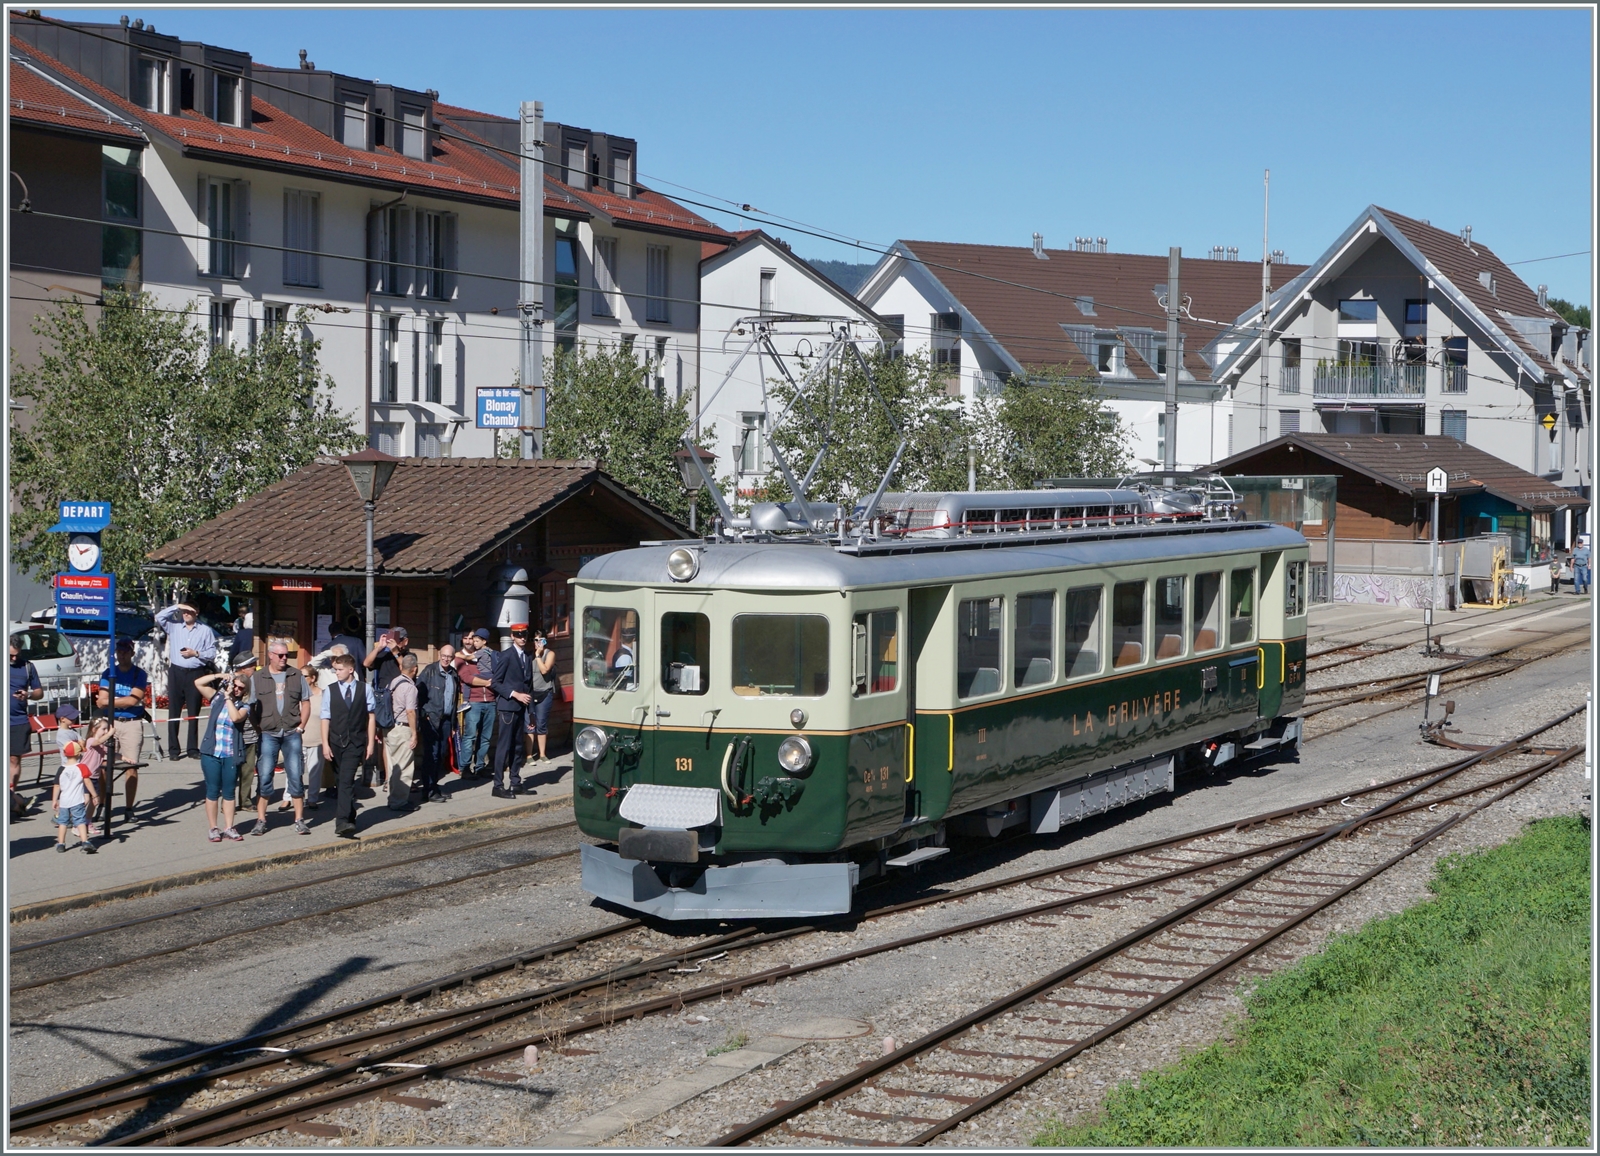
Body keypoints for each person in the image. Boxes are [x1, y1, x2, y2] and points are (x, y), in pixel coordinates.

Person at [248, 642, 314, 836]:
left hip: (292, 732)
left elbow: (306, 702)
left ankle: (299, 820)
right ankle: (261, 820)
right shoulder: (258, 678)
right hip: (268, 733)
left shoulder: (296, 675)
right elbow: (250, 706)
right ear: (270, 655)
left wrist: (301, 726)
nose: (284, 658)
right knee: (265, 776)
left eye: (286, 655)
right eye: (280, 655)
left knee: (295, 775)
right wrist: (257, 727)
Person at [322, 653, 377, 839]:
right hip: (335, 742)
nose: (336, 673)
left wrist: (370, 743)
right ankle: (351, 815)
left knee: (346, 780)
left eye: (339, 669)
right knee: (340, 782)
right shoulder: (329, 690)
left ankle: (342, 821)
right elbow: (325, 718)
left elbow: (370, 717)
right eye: (335, 670)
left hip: (356, 742)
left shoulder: (365, 689)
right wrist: (325, 744)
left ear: (350, 669)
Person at [96, 637, 149, 824]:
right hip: (110, 722)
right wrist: (117, 701)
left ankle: (129, 808)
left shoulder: (139, 674)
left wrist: (111, 701)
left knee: (131, 766)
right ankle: (102, 805)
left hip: (132, 722)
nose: (122, 654)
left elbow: (133, 700)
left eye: (126, 651)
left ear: (132, 653)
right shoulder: (109, 672)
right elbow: (100, 699)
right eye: (119, 651)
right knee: (103, 765)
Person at [156, 602, 218, 759]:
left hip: (195, 673)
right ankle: (173, 750)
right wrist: (177, 606)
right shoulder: (175, 627)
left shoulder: (205, 630)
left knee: (193, 712)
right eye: (184, 611)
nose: (186, 614)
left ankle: (192, 749)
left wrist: (196, 653)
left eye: (189, 611)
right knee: (174, 712)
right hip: (176, 672)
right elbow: (159, 617)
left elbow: (211, 652)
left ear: (196, 612)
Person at [194, 668, 250, 842]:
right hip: (212, 751)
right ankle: (213, 828)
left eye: (241, 688)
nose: (236, 690)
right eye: (235, 686)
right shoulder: (217, 698)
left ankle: (229, 827)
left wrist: (228, 698)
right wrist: (219, 676)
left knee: (229, 792)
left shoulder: (244, 705)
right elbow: (198, 683)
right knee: (212, 790)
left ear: (245, 691)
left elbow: (235, 718)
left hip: (230, 753)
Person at [301, 643, 350, 810]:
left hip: (341, 716)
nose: (334, 661)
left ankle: (338, 785)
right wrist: (329, 652)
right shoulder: (324, 671)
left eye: (338, 658)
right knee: (324, 753)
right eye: (333, 658)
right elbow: (311, 665)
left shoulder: (351, 673)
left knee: (336, 754)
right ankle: (328, 786)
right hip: (325, 715)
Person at [489, 624, 534, 799]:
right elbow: (495, 683)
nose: (523, 638)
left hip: (521, 708)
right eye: (519, 635)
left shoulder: (527, 657)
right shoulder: (507, 656)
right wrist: (515, 694)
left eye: (524, 635)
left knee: (518, 746)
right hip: (508, 707)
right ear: (513, 636)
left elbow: (528, 686)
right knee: (504, 747)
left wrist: (532, 713)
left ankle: (515, 782)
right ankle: (498, 785)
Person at [362, 626, 410, 789]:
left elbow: (407, 669)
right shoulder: (383, 654)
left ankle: (400, 779)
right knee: (386, 740)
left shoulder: (408, 655)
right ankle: (389, 778)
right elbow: (366, 663)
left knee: (400, 741)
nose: (393, 642)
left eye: (397, 639)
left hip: (401, 701)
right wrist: (379, 648)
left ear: (405, 641)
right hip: (385, 701)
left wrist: (396, 652)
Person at [417, 644, 459, 803]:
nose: (446, 659)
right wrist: (424, 715)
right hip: (431, 719)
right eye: (444, 656)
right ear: (439, 655)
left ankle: (434, 786)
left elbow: (454, 700)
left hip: (447, 720)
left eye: (449, 657)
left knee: (441, 753)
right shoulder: (429, 671)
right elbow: (418, 694)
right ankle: (428, 790)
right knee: (431, 755)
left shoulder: (454, 674)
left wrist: (454, 724)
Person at [454, 628, 497, 779]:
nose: (468, 641)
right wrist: (488, 683)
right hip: (473, 701)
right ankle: (465, 768)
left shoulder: (485, 654)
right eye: (465, 638)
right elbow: (467, 678)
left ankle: (480, 766)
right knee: (470, 736)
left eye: (471, 638)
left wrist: (492, 683)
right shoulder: (461, 659)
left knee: (485, 737)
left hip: (490, 701)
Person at [385, 652, 421, 813]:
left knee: (394, 767)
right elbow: (410, 712)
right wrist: (414, 733)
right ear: (415, 669)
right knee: (404, 768)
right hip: (403, 729)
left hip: (390, 728)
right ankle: (399, 802)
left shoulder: (393, 682)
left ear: (401, 667)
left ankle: (392, 798)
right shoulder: (410, 687)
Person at [9, 633, 43, 798]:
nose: (14, 658)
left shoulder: (28, 667)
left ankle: (11, 795)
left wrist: (27, 695)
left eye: (17, 654)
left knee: (14, 759)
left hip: (18, 721)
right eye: (10, 655)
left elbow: (39, 692)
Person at [52, 740, 99, 854]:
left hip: (64, 801)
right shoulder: (82, 767)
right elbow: (87, 782)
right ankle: (85, 841)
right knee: (80, 821)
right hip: (77, 800)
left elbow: (57, 785)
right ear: (79, 754)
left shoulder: (61, 769)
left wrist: (54, 800)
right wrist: (94, 794)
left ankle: (61, 844)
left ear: (64, 754)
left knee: (63, 822)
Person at [527, 629, 557, 765]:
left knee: (541, 723)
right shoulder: (528, 655)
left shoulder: (549, 654)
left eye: (541, 640)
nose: (538, 643)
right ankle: (528, 755)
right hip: (530, 693)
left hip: (545, 692)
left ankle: (542, 754)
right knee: (529, 724)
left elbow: (545, 669)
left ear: (545, 641)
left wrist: (538, 656)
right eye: (536, 640)